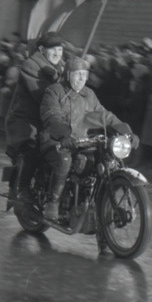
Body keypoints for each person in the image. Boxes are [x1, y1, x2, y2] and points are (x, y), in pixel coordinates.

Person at [39, 56, 140, 221]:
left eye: (84, 75)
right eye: (77, 74)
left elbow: (104, 115)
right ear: (68, 75)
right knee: (65, 160)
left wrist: (127, 132)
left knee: (104, 160)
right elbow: (51, 115)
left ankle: (91, 203)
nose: (81, 79)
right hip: (54, 140)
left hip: (80, 142)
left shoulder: (89, 94)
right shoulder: (55, 91)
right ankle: (53, 203)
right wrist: (63, 135)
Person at [3, 33, 66, 215]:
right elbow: (43, 94)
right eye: (53, 49)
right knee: (31, 148)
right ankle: (23, 191)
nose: (57, 53)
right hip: (26, 120)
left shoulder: (61, 67)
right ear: (42, 50)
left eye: (60, 49)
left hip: (48, 120)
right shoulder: (31, 65)